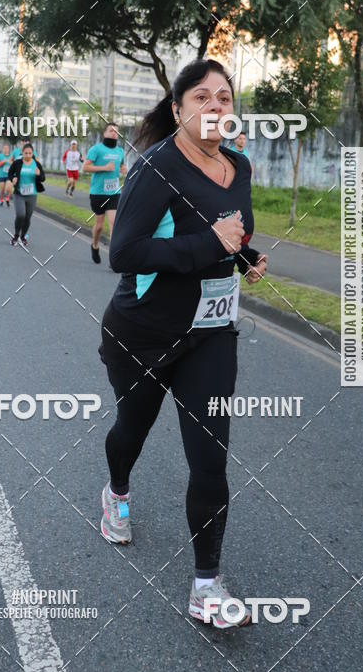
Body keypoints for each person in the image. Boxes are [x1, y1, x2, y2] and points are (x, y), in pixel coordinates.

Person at [97, 59, 268, 630]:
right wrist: (209, 245)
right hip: (142, 335)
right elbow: (125, 252)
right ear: (178, 110)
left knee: (210, 455)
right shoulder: (155, 168)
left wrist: (244, 256)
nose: (216, 105)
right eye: (202, 97)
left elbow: (229, 229)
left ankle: (206, 586)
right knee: (132, 430)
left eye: (225, 97)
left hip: (210, 334)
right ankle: (116, 491)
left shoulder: (239, 166)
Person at [82, 123, 127, 264]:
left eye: (116, 132)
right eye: (111, 131)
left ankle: (113, 258)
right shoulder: (96, 149)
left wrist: (123, 169)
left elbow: (121, 165)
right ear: (105, 133)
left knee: (114, 223)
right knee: (99, 226)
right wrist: (104, 168)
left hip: (114, 192)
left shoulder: (120, 151)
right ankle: (95, 244)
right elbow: (85, 167)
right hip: (98, 193)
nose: (114, 133)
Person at [7, 143, 45, 247]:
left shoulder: (36, 164)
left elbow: (43, 178)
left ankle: (22, 236)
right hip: (19, 194)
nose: (28, 155)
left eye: (30, 153)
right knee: (20, 215)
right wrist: (13, 178)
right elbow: (10, 173)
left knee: (27, 217)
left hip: (32, 194)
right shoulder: (17, 163)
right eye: (26, 153)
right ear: (22, 153)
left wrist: (39, 174)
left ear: (33, 153)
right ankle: (15, 236)